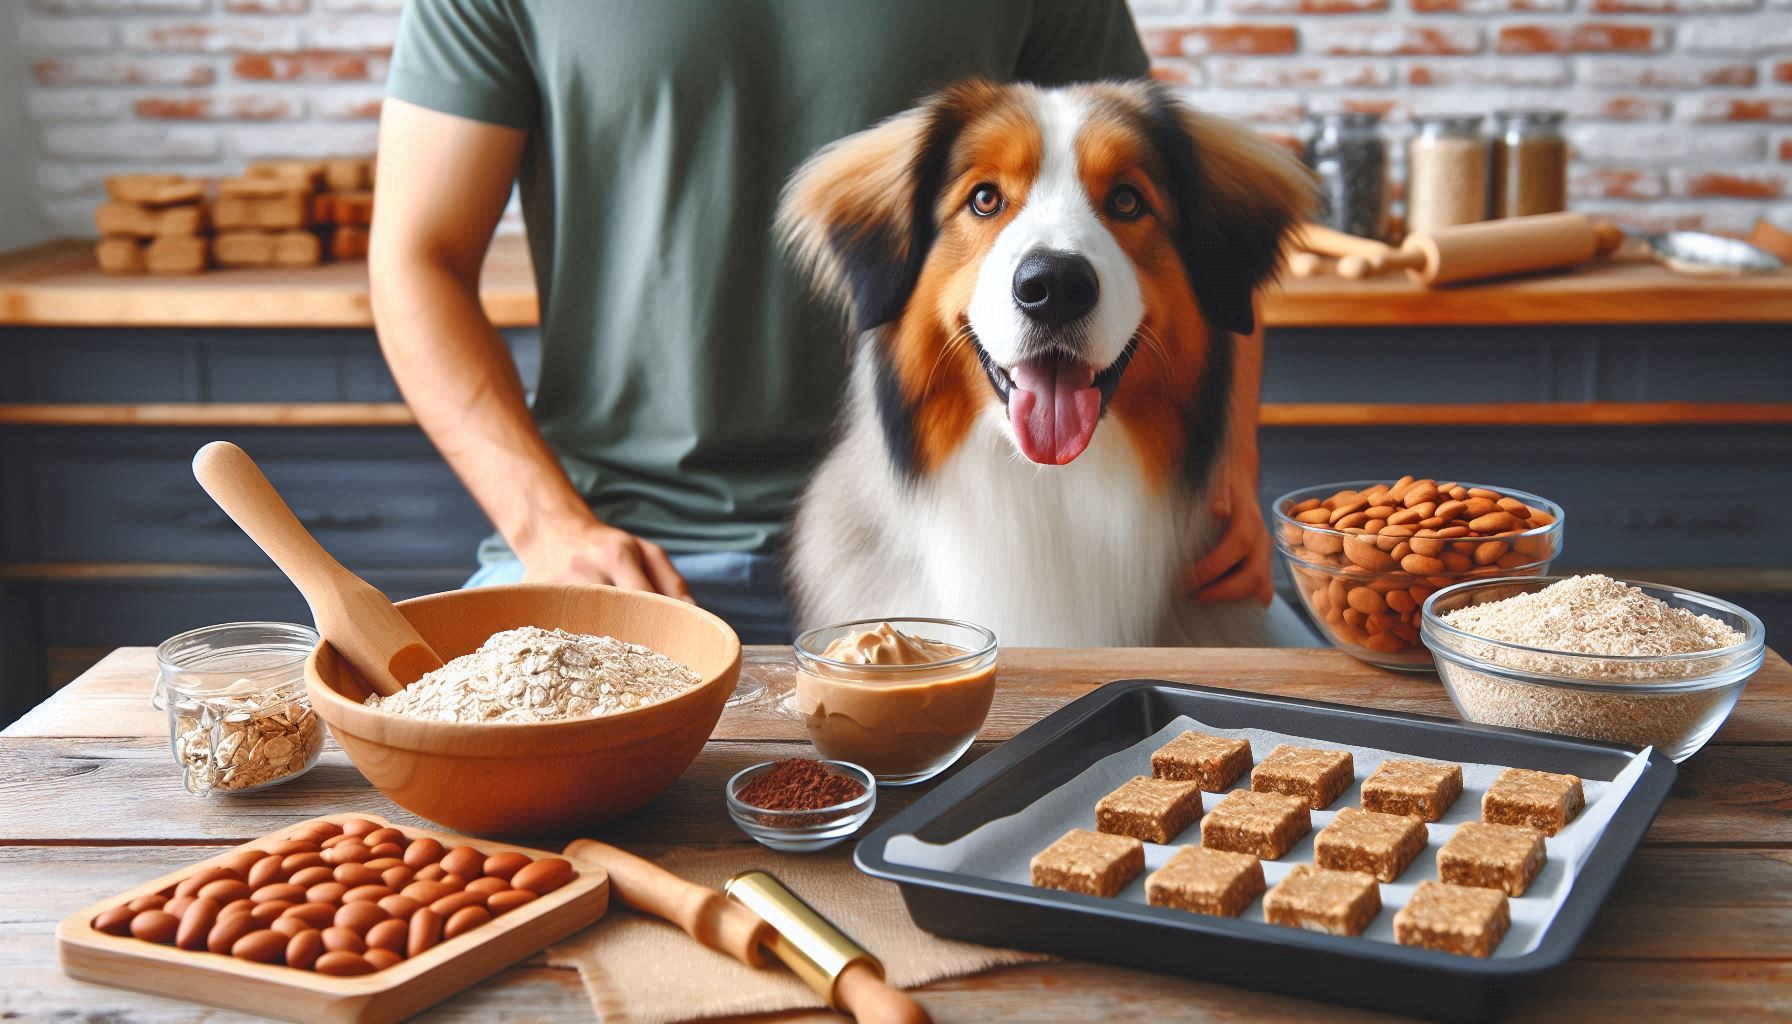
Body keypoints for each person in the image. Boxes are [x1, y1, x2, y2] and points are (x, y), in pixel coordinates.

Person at [371, 0, 1279, 645]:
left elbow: (1171, 224)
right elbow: (419, 259)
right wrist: (546, 530)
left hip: (961, 539)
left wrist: (1228, 472)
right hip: (624, 551)